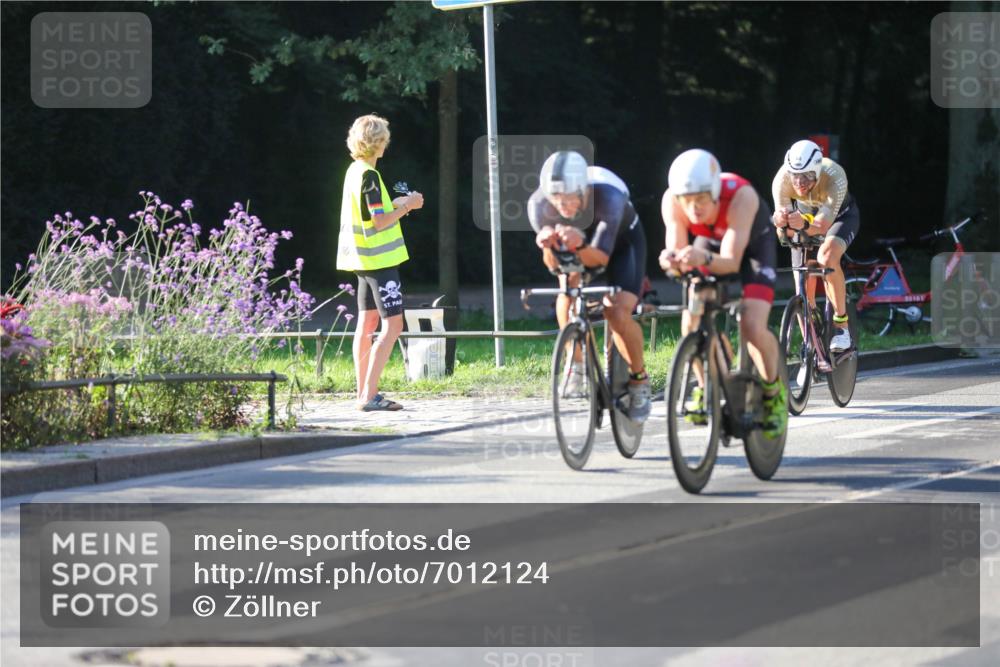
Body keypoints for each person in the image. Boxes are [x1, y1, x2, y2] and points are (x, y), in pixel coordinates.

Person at [658, 148, 787, 439]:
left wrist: (698, 260)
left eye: (701, 199)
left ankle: (773, 391)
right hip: (711, 243)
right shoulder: (672, 200)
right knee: (691, 320)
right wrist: (673, 261)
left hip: (752, 246)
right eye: (687, 201)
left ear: (714, 192)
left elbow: (729, 262)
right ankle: (707, 386)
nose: (693, 209)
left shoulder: (742, 197)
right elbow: (677, 253)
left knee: (752, 327)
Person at [529, 151, 651, 423]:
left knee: (617, 313)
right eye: (557, 199)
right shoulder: (538, 205)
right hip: (581, 245)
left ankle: (639, 379)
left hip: (621, 246)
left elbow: (601, 258)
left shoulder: (608, 198)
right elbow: (554, 266)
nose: (564, 205)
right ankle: (577, 363)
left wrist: (579, 244)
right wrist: (547, 246)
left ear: (584, 191)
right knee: (566, 289)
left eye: (570, 197)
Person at [336, 114, 424, 411]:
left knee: (366, 325)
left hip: (361, 259)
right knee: (393, 326)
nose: (386, 144)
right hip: (381, 261)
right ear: (379, 143)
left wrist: (397, 205)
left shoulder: (354, 171)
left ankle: (362, 392)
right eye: (385, 139)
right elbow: (378, 222)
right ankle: (370, 395)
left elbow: (372, 212)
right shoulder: (370, 177)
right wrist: (408, 205)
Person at [771, 139, 860, 352]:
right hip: (805, 217)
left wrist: (803, 223)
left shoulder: (835, 175)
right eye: (796, 176)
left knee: (826, 258)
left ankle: (842, 327)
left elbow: (822, 225)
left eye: (808, 176)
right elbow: (785, 233)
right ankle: (808, 346)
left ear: (818, 172)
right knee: (802, 283)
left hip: (840, 218)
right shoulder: (781, 180)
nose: (800, 182)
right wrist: (781, 223)